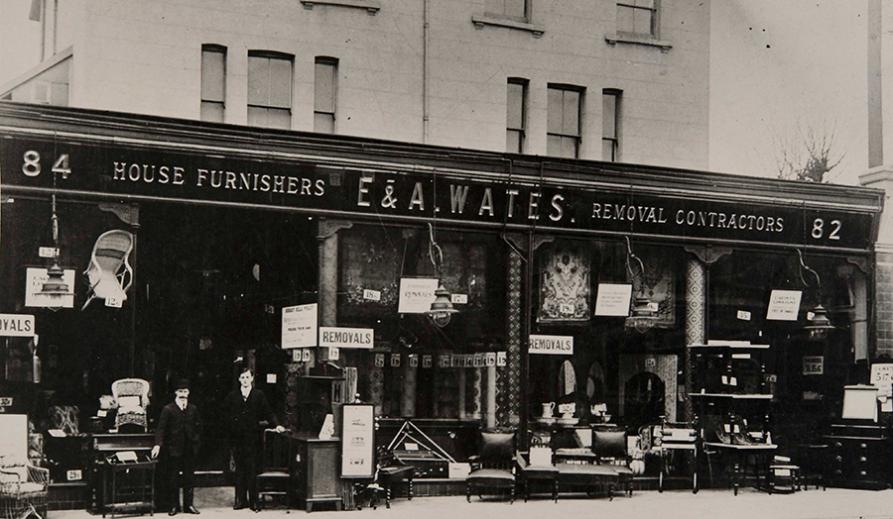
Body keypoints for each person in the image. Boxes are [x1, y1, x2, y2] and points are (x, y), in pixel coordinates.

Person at [224, 366, 285, 511]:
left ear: (252, 378)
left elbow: (268, 412)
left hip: (253, 439)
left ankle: (254, 501)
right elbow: (224, 414)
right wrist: (231, 428)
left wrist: (277, 425)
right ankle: (240, 500)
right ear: (239, 379)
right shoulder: (233, 396)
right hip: (238, 439)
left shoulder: (259, 395)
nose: (245, 380)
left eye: (247, 377)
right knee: (239, 470)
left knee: (252, 469)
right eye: (242, 377)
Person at [151, 379, 201, 516]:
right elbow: (160, 429)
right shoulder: (168, 409)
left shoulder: (193, 408)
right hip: (174, 449)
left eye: (185, 391)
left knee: (189, 478)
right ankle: (174, 506)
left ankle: (189, 505)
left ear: (189, 392)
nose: (183, 394)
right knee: (173, 478)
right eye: (180, 391)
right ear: (175, 392)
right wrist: (158, 445)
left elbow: (198, 426)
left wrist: (196, 441)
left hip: (189, 448)